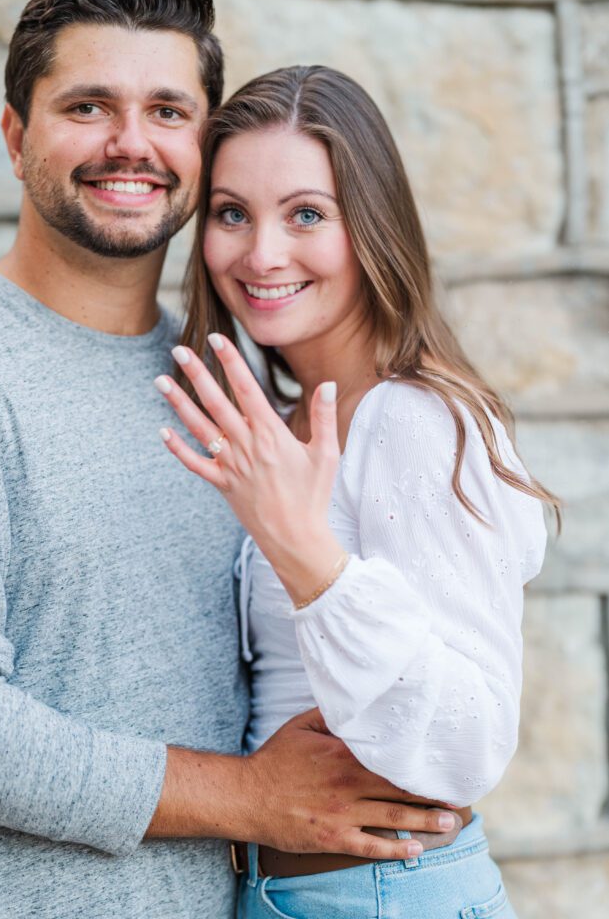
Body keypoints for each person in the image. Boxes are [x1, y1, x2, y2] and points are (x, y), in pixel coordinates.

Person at [0, 0, 460, 919]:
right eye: (88, 105)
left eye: (168, 111)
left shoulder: (228, 382)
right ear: (16, 138)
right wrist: (250, 796)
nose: (131, 143)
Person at [155, 64, 559, 919]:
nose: (261, 253)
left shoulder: (414, 422)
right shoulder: (290, 422)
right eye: (232, 213)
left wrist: (311, 563)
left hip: (379, 899)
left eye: (306, 214)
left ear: (369, 226)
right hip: (286, 895)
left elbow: (468, 743)